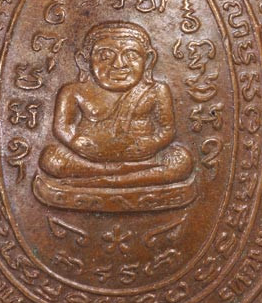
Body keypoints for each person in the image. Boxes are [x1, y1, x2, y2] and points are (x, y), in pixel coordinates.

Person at [39, 21, 193, 187]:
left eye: (131, 55)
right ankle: (122, 176)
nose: (119, 64)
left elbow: (167, 129)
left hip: (141, 157)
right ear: (84, 61)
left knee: (181, 160)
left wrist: (152, 144)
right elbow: (62, 127)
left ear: (148, 60)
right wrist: (75, 142)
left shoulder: (156, 90)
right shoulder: (74, 91)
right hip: (89, 157)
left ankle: (105, 179)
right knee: (51, 158)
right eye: (106, 56)